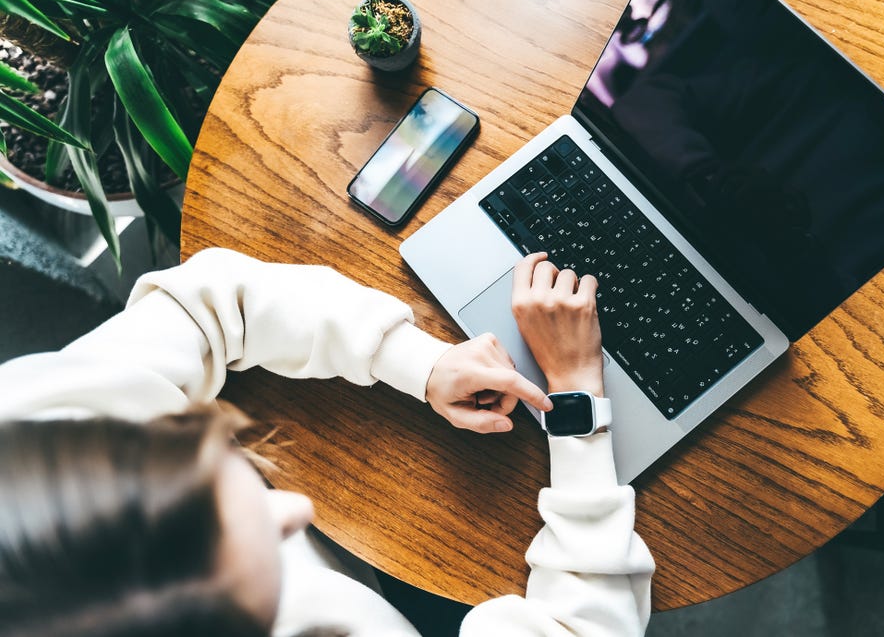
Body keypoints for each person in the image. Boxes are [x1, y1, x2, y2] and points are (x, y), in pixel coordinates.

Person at [0, 248, 654, 636]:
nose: (295, 509)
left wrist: (416, 362)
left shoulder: (34, 429)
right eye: (262, 556)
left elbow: (208, 302)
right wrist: (574, 394)